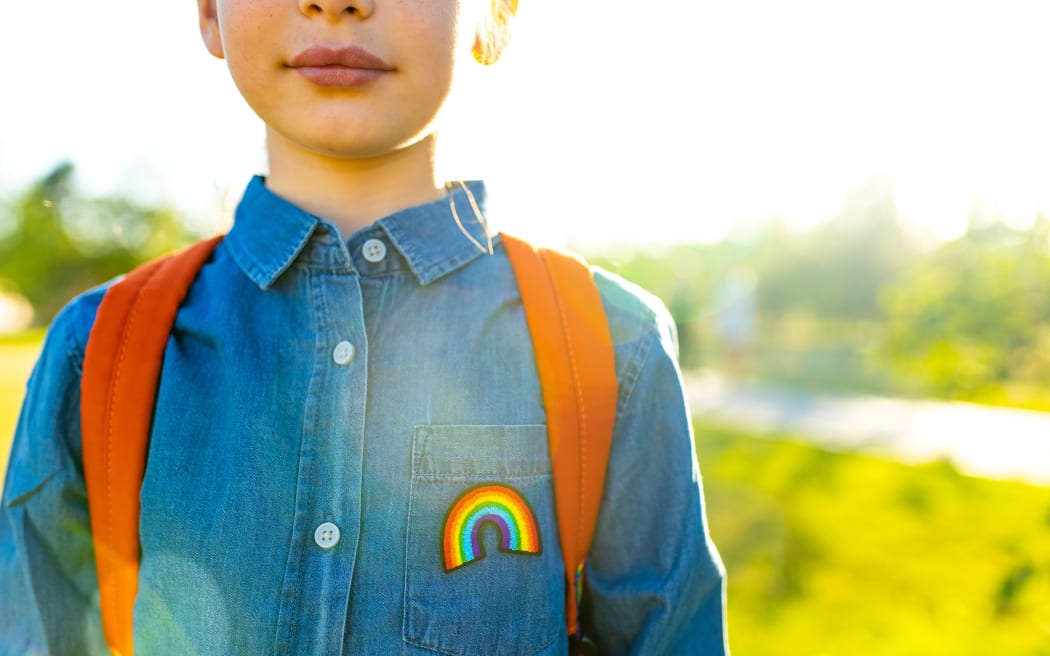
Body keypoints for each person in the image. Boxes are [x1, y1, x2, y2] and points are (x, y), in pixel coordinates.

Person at [0, 0, 728, 653]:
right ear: (208, 14)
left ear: (496, 13)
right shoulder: (98, 352)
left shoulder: (609, 345)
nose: (336, 3)